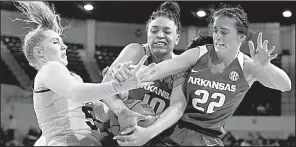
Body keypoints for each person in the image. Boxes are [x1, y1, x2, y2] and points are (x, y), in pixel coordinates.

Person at [114, 5, 291, 146]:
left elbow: (285, 85)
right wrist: (129, 75)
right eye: (215, 30)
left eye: (224, 31)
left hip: (209, 137)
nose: (217, 36)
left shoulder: (248, 67)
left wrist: (266, 67)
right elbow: (160, 69)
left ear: (241, 37)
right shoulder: (199, 53)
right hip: (175, 130)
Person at [13, 1, 156, 146]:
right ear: (39, 51)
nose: (65, 46)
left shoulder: (72, 79)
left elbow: (99, 116)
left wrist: (123, 97)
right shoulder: (49, 68)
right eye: (56, 42)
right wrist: (115, 86)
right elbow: (76, 93)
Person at [98, 1, 189, 146]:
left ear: (177, 38)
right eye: (154, 30)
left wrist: (147, 133)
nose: (160, 35)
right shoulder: (136, 51)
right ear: (147, 34)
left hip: (155, 136)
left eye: (167, 31)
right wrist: (122, 111)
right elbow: (104, 88)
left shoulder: (180, 67)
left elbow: (178, 107)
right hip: (117, 132)